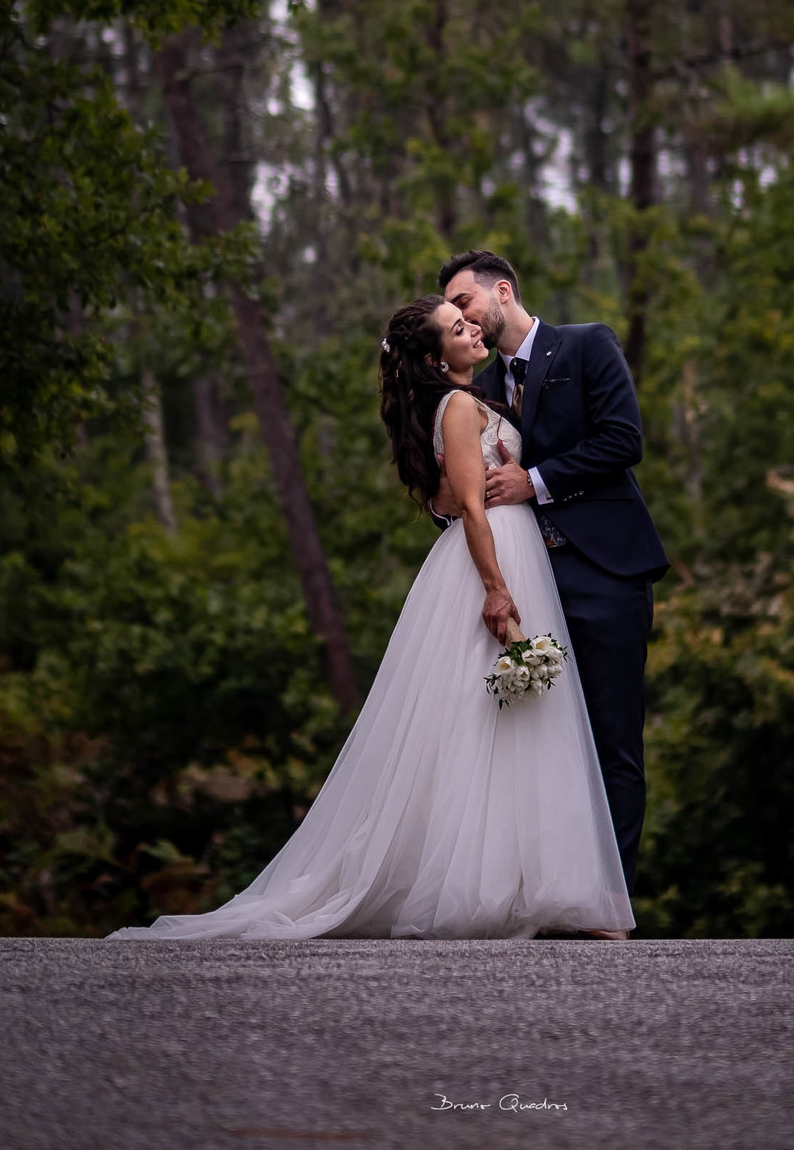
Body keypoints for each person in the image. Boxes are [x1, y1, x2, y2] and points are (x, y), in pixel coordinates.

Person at [107, 293, 633, 942]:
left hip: (513, 551)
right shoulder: (460, 406)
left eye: (467, 319)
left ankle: (536, 888)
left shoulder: (471, 397)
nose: (471, 329)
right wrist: (496, 589)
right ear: (434, 358)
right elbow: (469, 506)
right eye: (457, 327)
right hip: (494, 559)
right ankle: (489, 888)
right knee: (491, 721)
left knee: (513, 720)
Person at [437, 250, 669, 895]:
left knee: (614, 742)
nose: (462, 319)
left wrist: (534, 481)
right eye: (451, 313)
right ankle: (549, 897)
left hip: (607, 572)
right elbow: (468, 485)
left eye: (464, 302)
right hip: (529, 582)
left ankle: (610, 905)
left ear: (502, 290)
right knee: (541, 745)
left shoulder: (587, 346)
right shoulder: (475, 389)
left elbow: (624, 440)